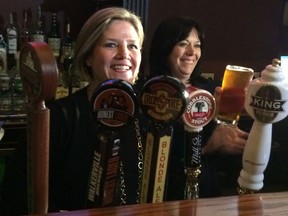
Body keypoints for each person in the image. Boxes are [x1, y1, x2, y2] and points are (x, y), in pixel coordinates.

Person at [0, 7, 145, 215]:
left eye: (133, 46)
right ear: (88, 56)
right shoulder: (58, 116)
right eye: (111, 45)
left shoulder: (149, 116)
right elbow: (17, 194)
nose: (124, 54)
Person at [146, 17, 249, 199]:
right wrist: (208, 141)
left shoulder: (210, 90)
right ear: (165, 48)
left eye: (197, 45)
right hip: (164, 193)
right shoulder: (150, 93)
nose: (192, 52)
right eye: (183, 43)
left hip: (207, 191)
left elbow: (225, 156)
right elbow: (150, 150)